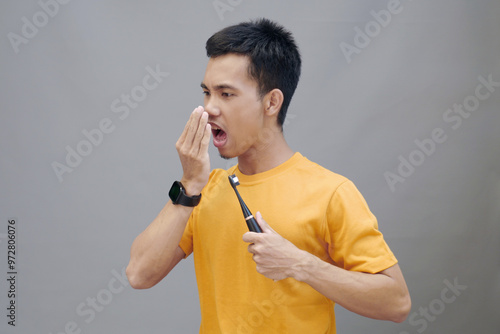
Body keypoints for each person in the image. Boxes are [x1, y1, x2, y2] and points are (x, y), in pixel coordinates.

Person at [126, 18, 411, 333]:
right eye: (207, 93)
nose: (209, 108)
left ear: (272, 102)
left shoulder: (331, 192)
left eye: (226, 94)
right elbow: (139, 275)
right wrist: (189, 183)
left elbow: (396, 303)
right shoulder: (203, 191)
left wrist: (301, 264)